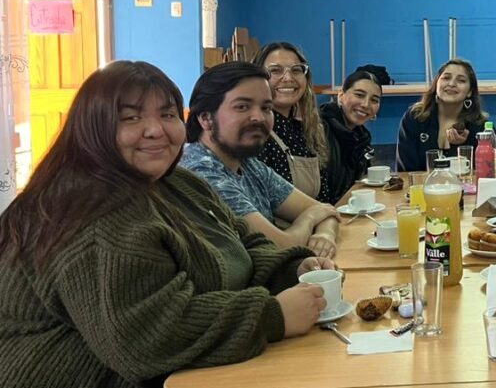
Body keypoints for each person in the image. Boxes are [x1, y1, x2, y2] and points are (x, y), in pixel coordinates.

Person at [0, 61, 332, 387]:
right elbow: (146, 335)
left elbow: (242, 242)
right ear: (93, 128)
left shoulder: (178, 183)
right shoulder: (89, 214)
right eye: (131, 117)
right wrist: (273, 316)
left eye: (167, 114)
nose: (156, 129)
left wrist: (293, 269)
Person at [180, 62, 340, 258]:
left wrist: (325, 234)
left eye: (266, 108)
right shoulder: (202, 172)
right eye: (242, 106)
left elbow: (326, 210)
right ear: (205, 118)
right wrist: (310, 219)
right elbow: (279, 248)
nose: (259, 117)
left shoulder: (247, 164)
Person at [252, 41, 335, 202]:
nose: (288, 78)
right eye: (275, 70)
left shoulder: (307, 131)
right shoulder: (254, 133)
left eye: (296, 70)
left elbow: (324, 196)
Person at [396, 58, 487, 172]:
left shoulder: (481, 127)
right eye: (446, 78)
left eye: (461, 80)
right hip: (421, 188)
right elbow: (405, 171)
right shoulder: (414, 117)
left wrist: (458, 148)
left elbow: (488, 171)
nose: (452, 84)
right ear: (436, 85)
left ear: (470, 92)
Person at [321, 66, 383, 193]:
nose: (366, 104)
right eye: (359, 95)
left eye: (374, 100)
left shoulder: (362, 138)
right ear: (341, 95)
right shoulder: (319, 128)